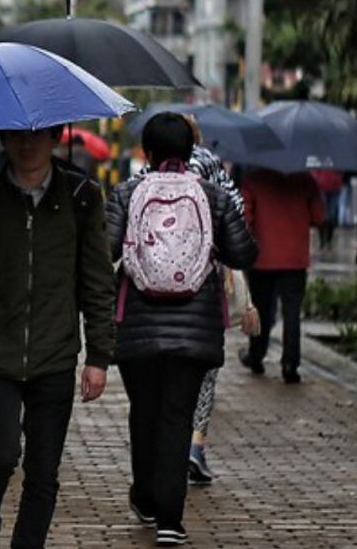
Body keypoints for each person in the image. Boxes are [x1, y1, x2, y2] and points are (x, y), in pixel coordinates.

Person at [0, 125, 115, 549]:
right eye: (16, 135)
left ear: (56, 137)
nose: (27, 143)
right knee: (1, 456)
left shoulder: (81, 197)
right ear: (3, 139)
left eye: (37, 135)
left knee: (43, 471)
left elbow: (97, 280)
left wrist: (99, 355)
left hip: (55, 352)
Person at [107, 113, 257, 546]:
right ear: (192, 152)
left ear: (146, 154)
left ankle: (146, 497)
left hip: (137, 328)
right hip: (195, 331)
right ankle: (170, 520)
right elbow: (243, 252)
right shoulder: (213, 196)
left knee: (145, 414)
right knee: (177, 416)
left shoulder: (126, 192)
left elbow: (104, 251)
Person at [137, 116, 246, 485]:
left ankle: (156, 458)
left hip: (147, 299)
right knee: (202, 375)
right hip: (202, 291)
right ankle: (194, 446)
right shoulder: (212, 168)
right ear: (194, 142)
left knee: (155, 382)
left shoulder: (141, 179)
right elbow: (239, 220)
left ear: (149, 149)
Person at [239, 167, 325, 383]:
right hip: (295, 259)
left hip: (263, 258)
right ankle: (290, 364)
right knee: (292, 313)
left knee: (262, 309)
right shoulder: (305, 180)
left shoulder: (253, 178)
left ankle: (256, 356)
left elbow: (245, 216)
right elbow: (318, 216)